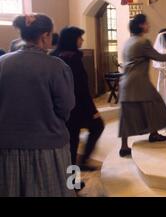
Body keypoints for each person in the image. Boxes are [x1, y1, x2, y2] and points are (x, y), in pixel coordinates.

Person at [0, 14, 76, 196]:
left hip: (7, 148)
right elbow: (66, 107)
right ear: (44, 36)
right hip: (48, 147)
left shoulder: (2, 63)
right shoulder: (57, 67)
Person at [119, 14, 166, 157]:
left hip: (125, 82)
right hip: (139, 82)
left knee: (127, 114)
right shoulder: (143, 42)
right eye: (146, 23)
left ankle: (124, 146)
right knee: (156, 104)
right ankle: (154, 133)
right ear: (140, 25)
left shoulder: (128, 42)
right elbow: (159, 57)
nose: (148, 26)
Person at [51, 27, 105, 171]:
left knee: (72, 143)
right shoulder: (73, 58)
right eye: (80, 37)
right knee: (95, 127)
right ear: (72, 40)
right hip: (76, 108)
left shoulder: (55, 55)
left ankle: (74, 179)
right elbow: (81, 88)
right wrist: (93, 110)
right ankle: (74, 180)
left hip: (64, 108)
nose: (82, 40)